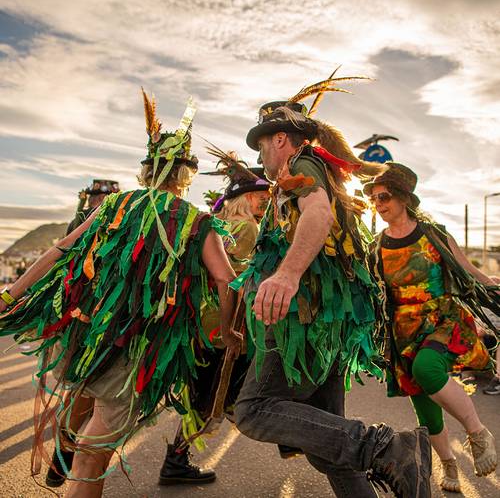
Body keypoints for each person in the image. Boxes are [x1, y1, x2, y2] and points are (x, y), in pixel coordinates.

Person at [0, 90, 240, 498]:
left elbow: (61, 250)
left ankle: (67, 455)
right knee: (95, 453)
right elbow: (226, 280)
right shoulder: (195, 221)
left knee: (86, 421)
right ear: (186, 175)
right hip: (135, 351)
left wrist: (11, 296)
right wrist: (230, 332)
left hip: (83, 338)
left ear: (147, 170)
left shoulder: (114, 204)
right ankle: (73, 465)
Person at [231, 77, 432, 498]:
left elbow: (317, 214)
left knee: (254, 411)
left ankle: (389, 448)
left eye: (263, 144)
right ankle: (385, 455)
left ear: (281, 137)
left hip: (302, 321)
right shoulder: (309, 170)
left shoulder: (302, 166)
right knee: (328, 447)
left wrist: (286, 274)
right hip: (324, 323)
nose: (261, 154)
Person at [364, 162, 499, 492]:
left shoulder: (433, 234)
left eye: (384, 197)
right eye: (374, 199)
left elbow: (466, 271)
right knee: (424, 406)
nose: (379, 204)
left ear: (404, 199)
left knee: (427, 368)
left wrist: (491, 286)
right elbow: (372, 290)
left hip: (443, 319)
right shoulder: (376, 247)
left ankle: (477, 432)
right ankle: (449, 465)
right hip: (403, 332)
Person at [158, 148, 271, 485]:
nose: (265, 201)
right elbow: (233, 279)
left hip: (209, 322)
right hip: (226, 323)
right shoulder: (247, 229)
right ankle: (176, 460)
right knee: (215, 397)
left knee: (211, 396)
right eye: (260, 196)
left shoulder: (225, 223)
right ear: (244, 199)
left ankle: (177, 458)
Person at [44, 179, 120, 488]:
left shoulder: (89, 217)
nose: (99, 201)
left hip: (95, 320)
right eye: (97, 196)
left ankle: (62, 458)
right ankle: (64, 456)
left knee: (81, 393)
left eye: (103, 197)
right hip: (89, 320)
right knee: (82, 394)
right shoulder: (94, 219)